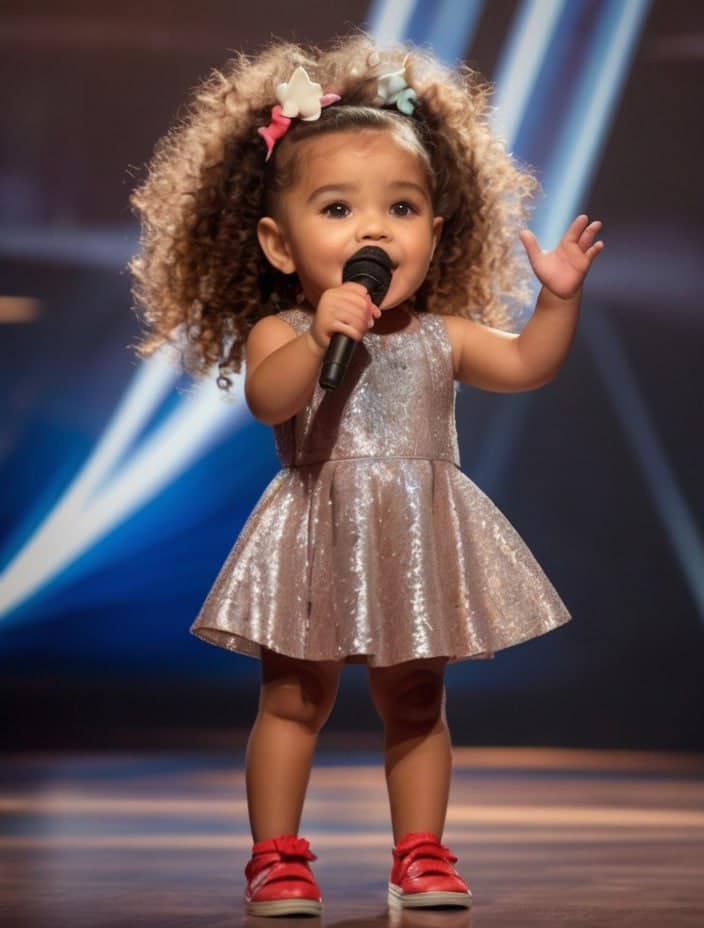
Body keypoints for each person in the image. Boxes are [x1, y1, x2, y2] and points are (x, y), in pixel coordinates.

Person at [129, 33, 603, 918]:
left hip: (416, 531)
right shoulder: (285, 331)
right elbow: (274, 401)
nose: (375, 230)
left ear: (435, 229)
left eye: (403, 207)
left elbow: (530, 363)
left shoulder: (440, 336)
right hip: (316, 525)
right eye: (339, 209)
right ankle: (276, 857)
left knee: (417, 698)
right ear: (279, 243)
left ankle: (419, 853)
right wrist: (321, 334)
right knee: (293, 699)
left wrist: (559, 298)